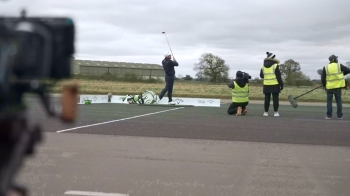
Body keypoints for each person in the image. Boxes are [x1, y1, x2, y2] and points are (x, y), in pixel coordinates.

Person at [321, 54, 350, 120]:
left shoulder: (326, 67)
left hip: (329, 88)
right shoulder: (339, 65)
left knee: (329, 102)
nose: (337, 59)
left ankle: (329, 116)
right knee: (339, 101)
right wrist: (341, 74)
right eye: (336, 58)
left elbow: (323, 79)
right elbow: (348, 70)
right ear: (334, 59)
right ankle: (340, 116)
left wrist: (324, 85)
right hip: (338, 87)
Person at [260, 52, 284, 117]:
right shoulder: (275, 65)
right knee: (275, 99)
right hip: (275, 84)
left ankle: (266, 112)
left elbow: (261, 76)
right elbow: (278, 76)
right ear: (273, 58)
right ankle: (275, 112)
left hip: (266, 84)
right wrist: (281, 85)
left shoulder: (263, 66)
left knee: (267, 99)